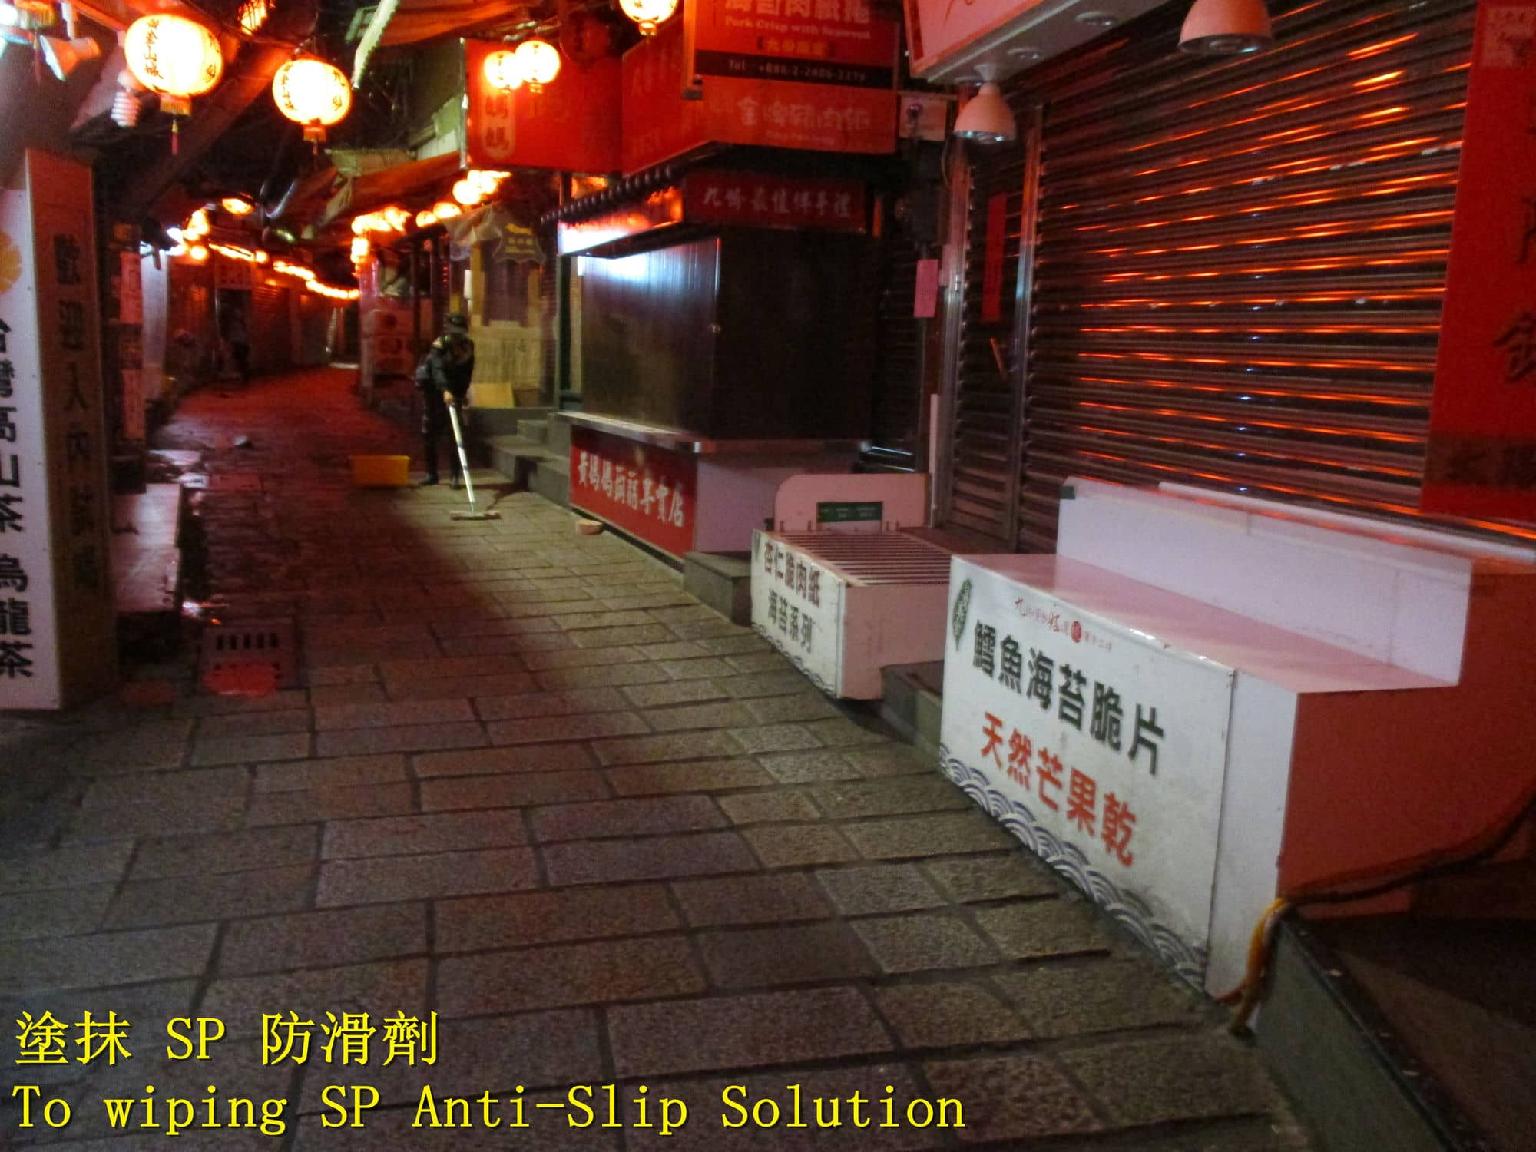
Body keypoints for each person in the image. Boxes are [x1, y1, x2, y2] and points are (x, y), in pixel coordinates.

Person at [416, 313, 475, 486]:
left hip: (454, 392)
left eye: (459, 333)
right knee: (430, 432)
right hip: (434, 391)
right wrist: (444, 389)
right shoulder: (439, 345)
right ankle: (431, 474)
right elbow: (437, 369)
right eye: (453, 333)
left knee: (456, 432)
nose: (456, 337)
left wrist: (461, 393)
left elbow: (467, 373)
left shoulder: (468, 347)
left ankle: (455, 476)